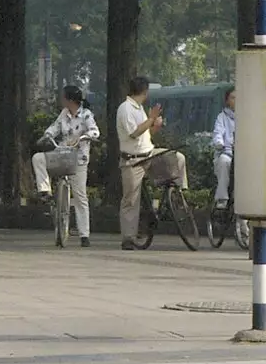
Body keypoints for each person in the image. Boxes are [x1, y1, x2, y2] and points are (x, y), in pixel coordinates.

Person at [33, 85, 100, 247]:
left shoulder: (86, 115)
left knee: (80, 196)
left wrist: (83, 137)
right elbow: (55, 127)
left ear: (70, 100)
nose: (61, 100)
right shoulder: (64, 114)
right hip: (62, 155)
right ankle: (45, 190)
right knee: (38, 158)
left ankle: (84, 235)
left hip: (78, 160)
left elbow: (95, 131)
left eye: (63, 97)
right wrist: (47, 135)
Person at [115, 76, 166, 251]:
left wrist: (154, 126)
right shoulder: (125, 109)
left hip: (149, 153)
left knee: (177, 158)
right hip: (133, 160)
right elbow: (134, 133)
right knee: (131, 199)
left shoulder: (140, 109)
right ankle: (128, 237)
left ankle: (176, 193)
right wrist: (151, 119)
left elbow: (145, 134)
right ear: (145, 92)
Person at [211, 87, 236, 211]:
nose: (236, 100)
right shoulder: (222, 117)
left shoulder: (247, 116)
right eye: (233, 97)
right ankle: (222, 199)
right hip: (227, 153)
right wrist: (219, 143)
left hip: (243, 155)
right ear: (227, 101)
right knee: (224, 161)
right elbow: (218, 133)